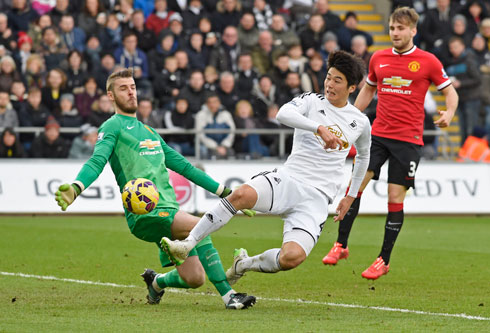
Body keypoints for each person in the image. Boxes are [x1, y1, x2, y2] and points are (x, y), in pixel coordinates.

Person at [160, 51, 371, 287]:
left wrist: (351, 196)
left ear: (352, 88)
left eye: (337, 80)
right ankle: (186, 244)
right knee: (240, 194)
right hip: (289, 180)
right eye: (328, 77)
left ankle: (243, 264)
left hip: (318, 199)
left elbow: (363, 157)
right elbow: (283, 114)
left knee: (292, 257)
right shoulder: (311, 100)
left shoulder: (359, 121)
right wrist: (318, 128)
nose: (329, 84)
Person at [54, 68, 256, 310]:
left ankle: (156, 282)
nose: (130, 93)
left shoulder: (150, 132)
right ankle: (229, 295)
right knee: (200, 225)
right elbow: (97, 160)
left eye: (132, 87)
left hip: (170, 210)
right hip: (146, 213)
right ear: (110, 95)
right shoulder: (112, 127)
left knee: (194, 278)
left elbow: (185, 168)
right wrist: (77, 187)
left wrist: (226, 193)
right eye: (123, 88)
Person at [321, 7, 459, 280]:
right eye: (392, 28)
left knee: (395, 198)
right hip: (379, 136)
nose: (395, 33)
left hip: (408, 140)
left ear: (412, 31)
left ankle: (383, 260)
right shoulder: (379, 58)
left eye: (400, 28)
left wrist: (449, 113)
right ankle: (341, 244)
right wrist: (352, 120)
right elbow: (369, 89)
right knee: (355, 185)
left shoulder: (428, 61)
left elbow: (449, 91)